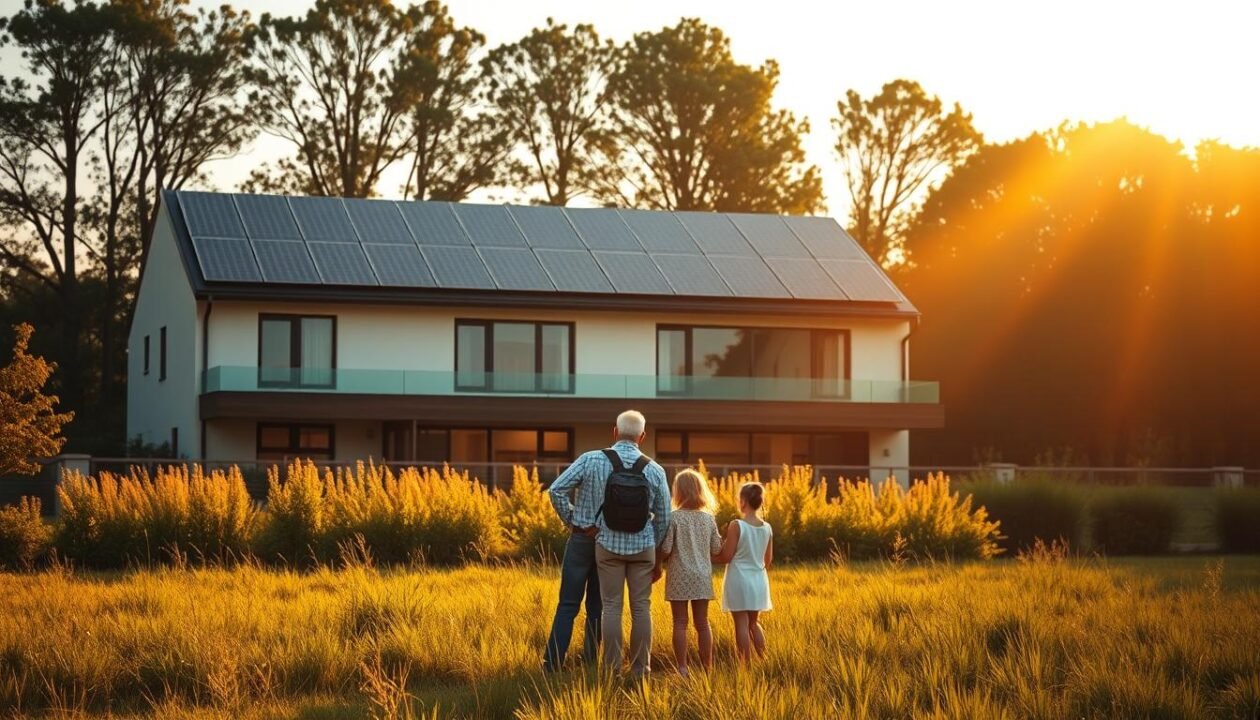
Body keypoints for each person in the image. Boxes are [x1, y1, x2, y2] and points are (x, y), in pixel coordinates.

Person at [548, 410, 670, 678]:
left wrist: (574, 521)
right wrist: (655, 549)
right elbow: (663, 518)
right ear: (643, 436)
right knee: (624, 608)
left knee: (576, 604)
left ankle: (556, 665)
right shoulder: (655, 470)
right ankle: (633, 669)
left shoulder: (590, 459)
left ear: (614, 432)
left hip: (590, 539)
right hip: (638, 546)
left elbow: (555, 490)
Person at [657, 468, 722, 676]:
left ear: (678, 491)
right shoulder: (708, 518)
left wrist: (656, 558)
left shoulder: (674, 518)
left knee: (680, 623)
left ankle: (683, 668)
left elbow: (666, 549)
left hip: (679, 576)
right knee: (702, 624)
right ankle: (707, 667)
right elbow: (716, 550)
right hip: (702, 576)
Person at [713, 482, 774, 662]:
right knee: (753, 624)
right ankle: (764, 659)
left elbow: (726, 556)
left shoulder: (736, 525)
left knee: (741, 623)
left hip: (739, 580)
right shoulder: (767, 527)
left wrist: (707, 557)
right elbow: (767, 561)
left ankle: (745, 666)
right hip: (758, 581)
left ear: (743, 501)